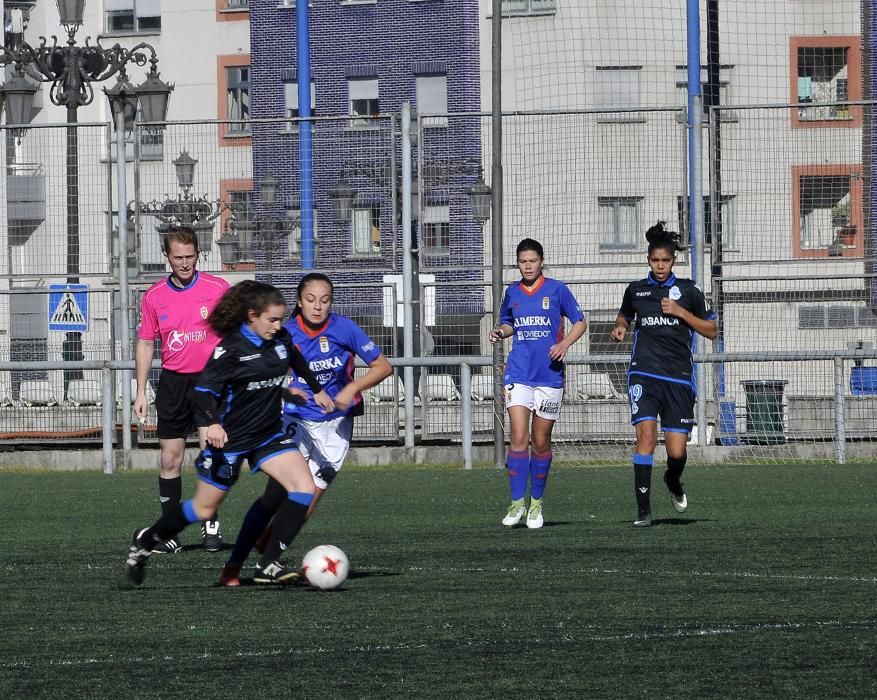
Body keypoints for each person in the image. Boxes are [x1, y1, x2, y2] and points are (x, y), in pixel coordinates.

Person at [125, 280, 335, 586]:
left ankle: (269, 565)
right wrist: (212, 423)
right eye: (272, 320)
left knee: (303, 487)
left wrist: (315, 390)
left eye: (280, 319)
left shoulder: (280, 338)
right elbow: (202, 393)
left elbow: (295, 359)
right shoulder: (230, 349)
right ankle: (145, 543)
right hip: (231, 440)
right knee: (203, 508)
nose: (278, 326)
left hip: (267, 435)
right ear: (252, 315)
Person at [217, 272, 393, 586]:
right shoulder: (284, 332)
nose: (318, 306)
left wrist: (350, 389)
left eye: (324, 300)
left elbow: (383, 367)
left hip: (335, 427)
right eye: (310, 300)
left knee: (308, 499)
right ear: (299, 302)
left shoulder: (344, 329)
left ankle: (267, 553)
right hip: (295, 419)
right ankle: (247, 563)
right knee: (277, 493)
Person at [610, 222, 717, 527]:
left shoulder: (689, 291)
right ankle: (643, 510)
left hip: (679, 377)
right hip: (643, 373)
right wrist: (620, 326)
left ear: (673, 261)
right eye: (655, 260)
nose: (660, 266)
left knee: (677, 451)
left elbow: (712, 331)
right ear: (648, 260)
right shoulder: (636, 290)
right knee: (645, 437)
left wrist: (682, 313)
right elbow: (625, 313)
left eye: (665, 261)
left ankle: (673, 479)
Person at [134, 225, 230, 554]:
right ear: (167, 258)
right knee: (170, 459)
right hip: (173, 383)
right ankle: (167, 531)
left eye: (190, 257)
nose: (185, 263)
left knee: (209, 452)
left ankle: (211, 522)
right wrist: (141, 389)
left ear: (198, 255)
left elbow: (234, 332)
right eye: (178, 258)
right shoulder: (154, 296)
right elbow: (146, 343)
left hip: (208, 382)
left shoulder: (217, 288)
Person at [489, 238, 587, 529]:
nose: (528, 265)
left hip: (549, 376)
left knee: (540, 441)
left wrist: (565, 344)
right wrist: (499, 331)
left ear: (541, 261)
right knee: (518, 437)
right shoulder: (513, 292)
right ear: (517, 263)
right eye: (522, 261)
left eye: (532, 260)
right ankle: (517, 503)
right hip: (518, 373)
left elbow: (580, 322)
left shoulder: (557, 290)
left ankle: (536, 505)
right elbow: (509, 323)